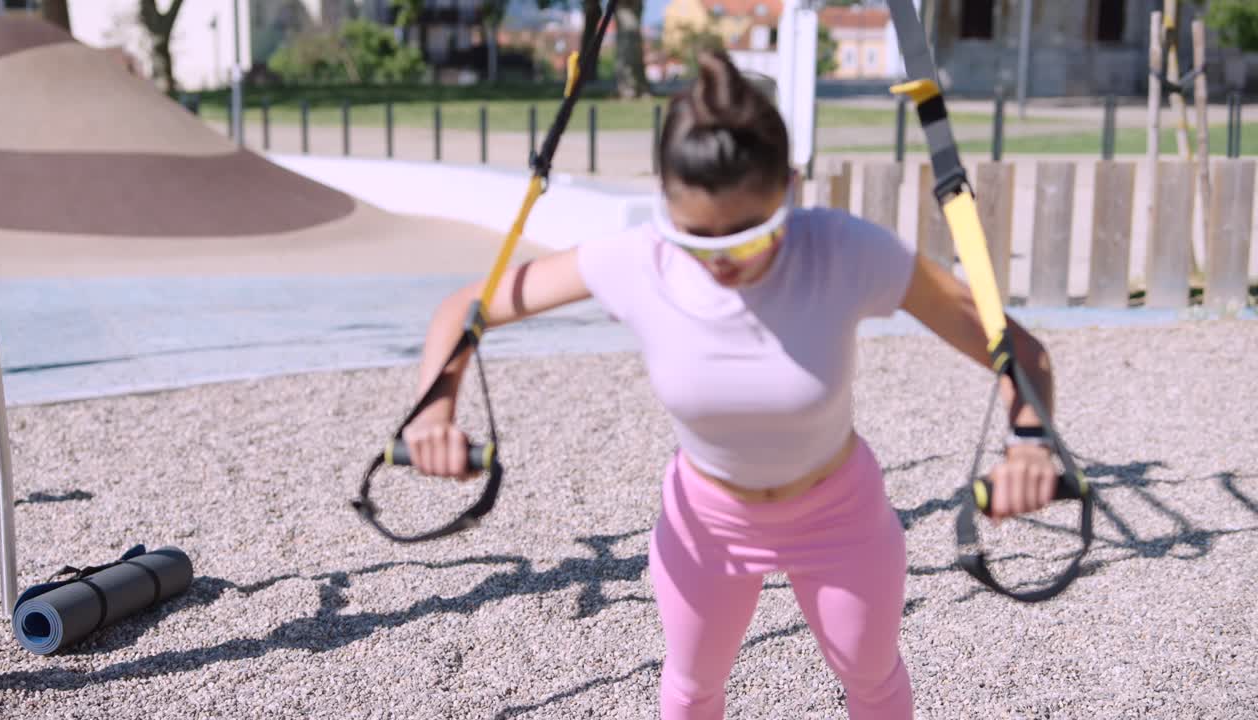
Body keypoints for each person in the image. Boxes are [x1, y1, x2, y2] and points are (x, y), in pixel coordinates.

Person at [403, 50, 1060, 720]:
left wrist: (1031, 443)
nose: (721, 261)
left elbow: (1018, 351)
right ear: (663, 198)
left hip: (839, 516)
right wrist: (433, 412)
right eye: (696, 238)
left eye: (749, 237)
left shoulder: (844, 251)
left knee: (872, 678)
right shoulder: (638, 259)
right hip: (708, 523)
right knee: (692, 686)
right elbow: (464, 309)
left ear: (790, 190)